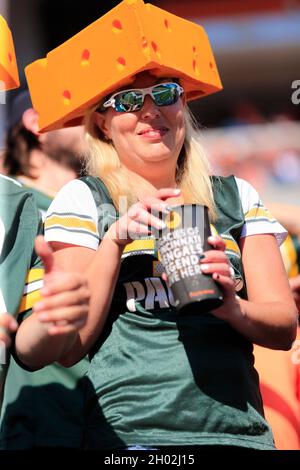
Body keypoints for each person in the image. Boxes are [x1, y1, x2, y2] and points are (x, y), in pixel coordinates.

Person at [16, 0, 297, 450]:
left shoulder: (236, 196)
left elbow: (283, 325)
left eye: (165, 93)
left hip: (240, 437)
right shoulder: (85, 199)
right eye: (127, 100)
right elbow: (62, 349)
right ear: (104, 124)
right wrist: (114, 242)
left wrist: (232, 308)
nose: (149, 111)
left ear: (183, 105)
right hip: (130, 438)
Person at [0, 92, 90, 450]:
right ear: (36, 123)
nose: (95, 117)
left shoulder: (109, 209)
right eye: (80, 108)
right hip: (39, 426)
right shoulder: (11, 209)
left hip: (116, 427)